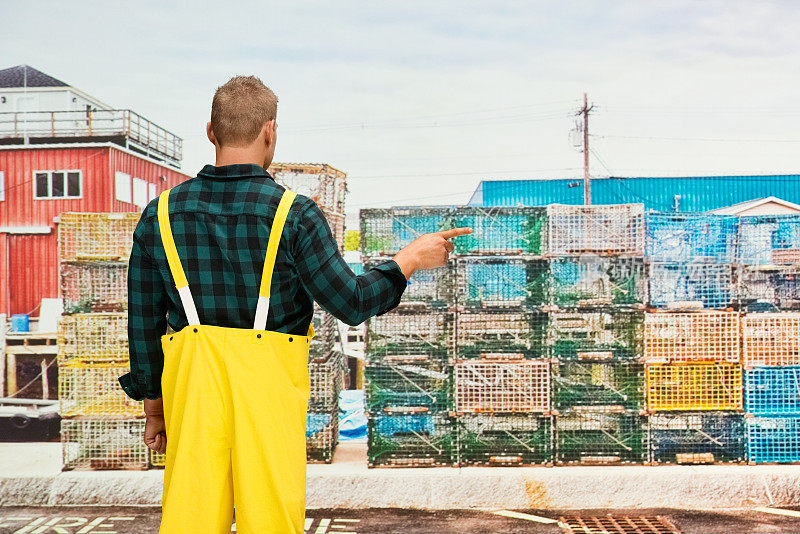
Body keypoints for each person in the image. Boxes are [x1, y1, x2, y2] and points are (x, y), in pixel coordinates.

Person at [117, 75, 472, 534]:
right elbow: (351, 302)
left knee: (190, 518)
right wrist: (408, 260)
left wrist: (154, 408)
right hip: (268, 396)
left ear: (210, 131)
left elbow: (143, 324)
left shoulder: (160, 215)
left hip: (192, 398)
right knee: (270, 520)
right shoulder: (294, 214)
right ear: (271, 131)